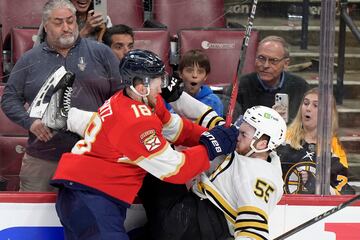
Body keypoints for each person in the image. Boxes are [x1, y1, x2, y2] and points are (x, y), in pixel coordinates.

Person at [51, 49, 239, 240]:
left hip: (84, 193)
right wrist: (211, 146)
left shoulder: (134, 99)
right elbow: (175, 169)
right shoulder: (136, 121)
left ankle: (66, 116)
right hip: (92, 197)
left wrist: (211, 134)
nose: (162, 88)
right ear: (142, 86)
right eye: (160, 81)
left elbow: (174, 128)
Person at [0, 0, 122, 192]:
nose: (66, 28)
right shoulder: (29, 59)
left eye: (70, 21)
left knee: (91, 217)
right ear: (46, 25)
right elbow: (9, 98)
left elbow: (121, 95)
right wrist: (29, 122)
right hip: (43, 159)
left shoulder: (102, 53)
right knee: (35, 219)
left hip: (94, 156)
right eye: (58, 23)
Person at [138, 105, 286, 240]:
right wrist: (177, 95)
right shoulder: (247, 149)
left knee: (153, 152)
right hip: (190, 213)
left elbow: (253, 232)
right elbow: (208, 118)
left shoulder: (262, 178)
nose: (236, 136)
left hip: (195, 225)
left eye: (243, 134)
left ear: (261, 144)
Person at [277, 87, 355, 195]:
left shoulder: (334, 146)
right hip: (283, 206)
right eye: (306, 103)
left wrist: (317, 186)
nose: (308, 108)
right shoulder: (283, 137)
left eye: (315, 105)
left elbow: (343, 192)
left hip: (317, 208)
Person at [233, 35, 309, 123]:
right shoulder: (240, 86)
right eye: (261, 58)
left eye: (273, 61)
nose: (266, 65)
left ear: (286, 63)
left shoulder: (300, 87)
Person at [34, 0, 112, 46]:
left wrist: (101, 34)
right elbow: (44, 51)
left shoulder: (103, 19)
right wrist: (86, 31)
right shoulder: (53, 19)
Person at [176, 49, 224, 116]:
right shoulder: (169, 100)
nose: (195, 75)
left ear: (206, 76)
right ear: (180, 74)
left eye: (200, 72)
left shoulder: (214, 102)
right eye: (189, 71)